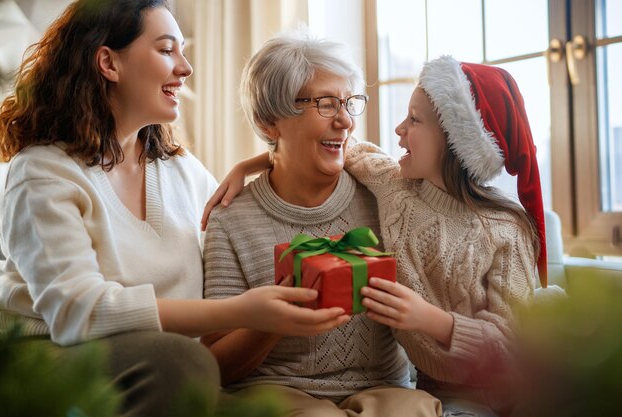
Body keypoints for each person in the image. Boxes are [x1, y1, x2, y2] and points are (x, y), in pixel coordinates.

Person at [0, 2, 350, 416]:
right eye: (167, 50)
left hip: (164, 369)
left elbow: (341, 157)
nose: (186, 68)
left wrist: (258, 162)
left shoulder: (180, 170)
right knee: (182, 363)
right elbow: (78, 313)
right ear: (109, 62)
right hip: (52, 359)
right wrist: (241, 311)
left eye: (183, 51)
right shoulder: (42, 173)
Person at [205, 56, 546, 417]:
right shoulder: (392, 184)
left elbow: (516, 348)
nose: (347, 121)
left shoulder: (503, 227)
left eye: (414, 119)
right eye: (325, 103)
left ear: (455, 141)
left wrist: (430, 319)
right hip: (393, 390)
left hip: (480, 396)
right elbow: (320, 146)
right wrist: (251, 164)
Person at [201, 29, 441, 417]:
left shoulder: (383, 192)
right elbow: (216, 366)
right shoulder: (231, 220)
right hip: (275, 391)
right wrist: (271, 322)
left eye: (349, 103)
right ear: (269, 122)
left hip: (381, 386)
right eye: (326, 105)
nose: (345, 120)